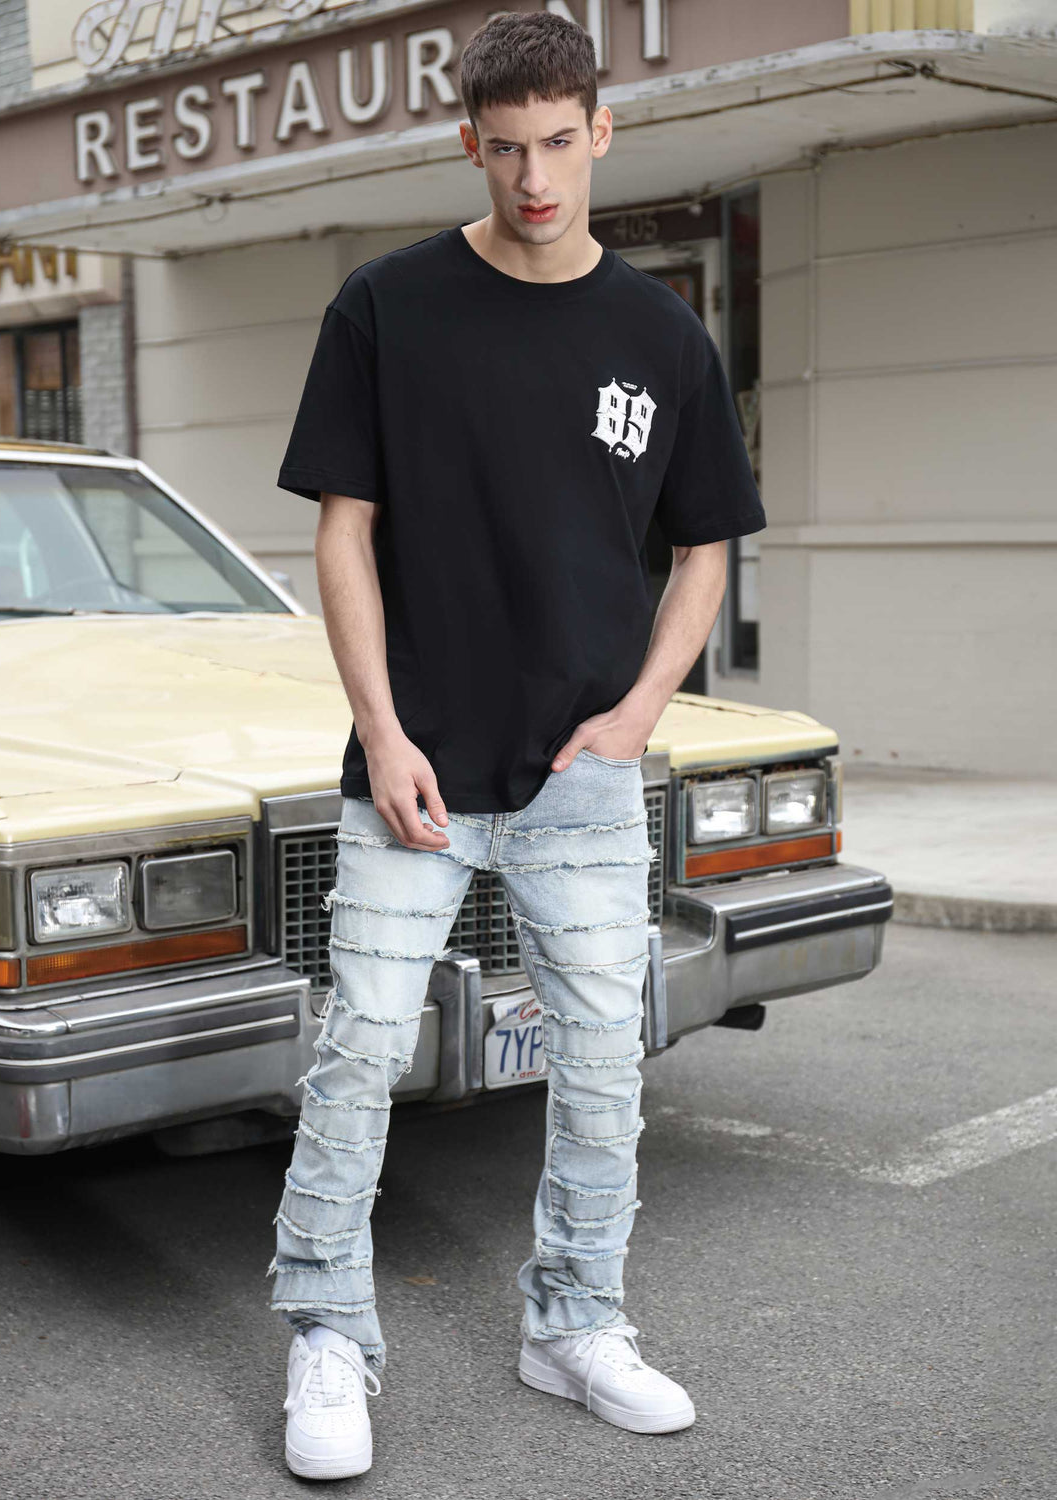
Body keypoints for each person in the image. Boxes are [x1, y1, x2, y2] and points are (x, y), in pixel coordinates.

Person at [269, 8, 766, 1479]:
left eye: (560, 144)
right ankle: (327, 1334)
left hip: (583, 778)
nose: (536, 178)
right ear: (468, 144)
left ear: (601, 132)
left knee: (605, 1057)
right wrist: (380, 724)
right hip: (415, 765)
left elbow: (707, 553)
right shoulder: (386, 305)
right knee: (359, 1050)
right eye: (506, 150)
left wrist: (638, 714)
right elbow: (341, 535)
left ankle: (576, 1321)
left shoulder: (662, 335)